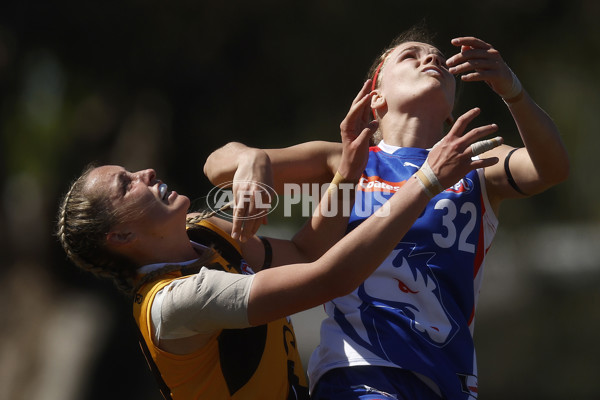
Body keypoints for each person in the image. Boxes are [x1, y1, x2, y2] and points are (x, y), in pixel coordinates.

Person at [56, 78, 502, 400]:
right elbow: (329, 278)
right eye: (125, 184)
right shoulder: (176, 303)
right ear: (121, 234)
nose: (145, 173)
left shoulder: (205, 232)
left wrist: (344, 170)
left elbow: (309, 251)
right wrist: (424, 183)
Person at [203, 28, 569, 399]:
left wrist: (514, 91)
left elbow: (551, 168)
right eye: (411, 55)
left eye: (440, 59)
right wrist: (252, 158)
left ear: (450, 108)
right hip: (358, 369)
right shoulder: (348, 160)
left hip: (448, 379)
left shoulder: (473, 165)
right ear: (375, 95)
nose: (431, 60)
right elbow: (217, 164)